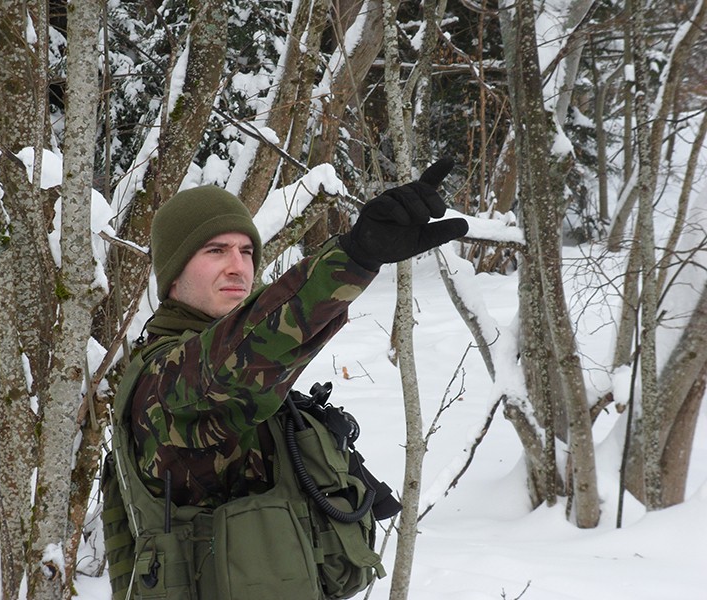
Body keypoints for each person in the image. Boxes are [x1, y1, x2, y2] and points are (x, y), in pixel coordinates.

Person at [118, 160, 468, 599]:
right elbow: (240, 355)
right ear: (172, 273)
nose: (237, 267)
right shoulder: (167, 382)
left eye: (246, 252)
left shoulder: (235, 362)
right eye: (214, 251)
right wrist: (355, 257)